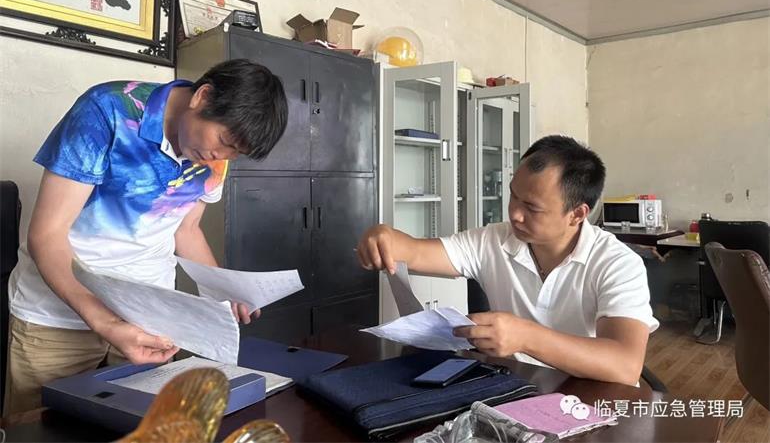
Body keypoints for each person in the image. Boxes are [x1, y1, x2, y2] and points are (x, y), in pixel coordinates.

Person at [5, 59, 288, 415]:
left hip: (147, 317)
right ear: (202, 97)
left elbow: (187, 229)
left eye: (235, 153)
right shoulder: (107, 110)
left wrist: (223, 288)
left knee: (143, 426)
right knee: (40, 428)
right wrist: (106, 323)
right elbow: (47, 235)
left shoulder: (215, 153)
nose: (220, 158)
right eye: (224, 142)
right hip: (58, 318)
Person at [357, 135, 658, 386]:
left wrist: (526, 337)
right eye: (513, 196)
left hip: (590, 400)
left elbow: (624, 365)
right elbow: (416, 252)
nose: (514, 213)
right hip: (513, 391)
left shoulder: (617, 264)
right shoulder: (494, 240)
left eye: (532, 207)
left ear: (577, 214)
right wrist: (385, 236)